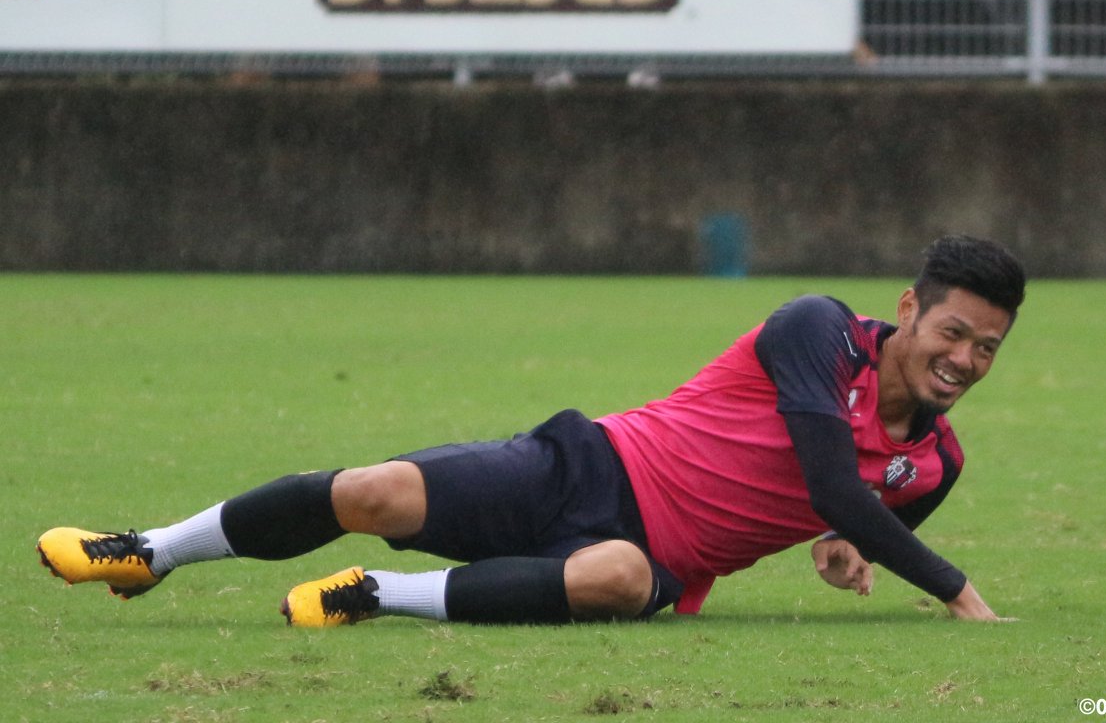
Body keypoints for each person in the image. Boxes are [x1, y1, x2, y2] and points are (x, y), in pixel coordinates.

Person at [37, 234, 1026, 627]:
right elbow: (832, 482)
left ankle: (376, 593)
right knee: (371, 491)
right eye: (953, 332)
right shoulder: (816, 327)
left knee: (620, 578)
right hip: (586, 462)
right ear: (908, 307)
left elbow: (852, 515)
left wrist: (844, 551)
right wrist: (955, 589)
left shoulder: (936, 462)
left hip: (647, 553)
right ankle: (149, 550)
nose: (965, 361)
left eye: (987, 347)